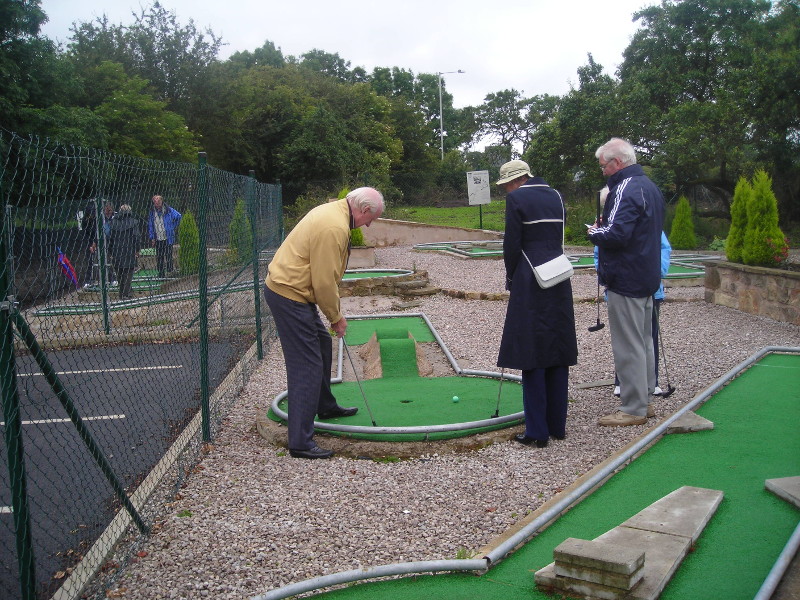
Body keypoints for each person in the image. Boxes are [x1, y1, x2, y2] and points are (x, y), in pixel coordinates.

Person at [264, 187, 385, 459]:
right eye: (371, 218)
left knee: (320, 345)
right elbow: (323, 281)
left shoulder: (336, 213)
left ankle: (325, 405)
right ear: (363, 210)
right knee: (306, 364)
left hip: (291, 289)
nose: (369, 224)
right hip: (289, 293)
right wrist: (336, 317)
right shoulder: (335, 227)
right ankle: (300, 442)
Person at [496, 160, 578, 448]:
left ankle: (537, 432)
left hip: (530, 278)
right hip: (558, 274)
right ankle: (558, 426)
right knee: (556, 347)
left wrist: (511, 276)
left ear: (516, 180)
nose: (506, 189)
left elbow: (512, 244)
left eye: (506, 184)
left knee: (532, 351)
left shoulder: (517, 198)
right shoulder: (556, 195)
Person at [587, 138, 666, 426]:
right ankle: (644, 400)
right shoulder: (650, 187)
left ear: (616, 163)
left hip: (626, 276)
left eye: (603, 166)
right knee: (643, 340)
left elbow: (616, 234)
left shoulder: (624, 187)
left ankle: (632, 408)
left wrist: (594, 233)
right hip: (647, 276)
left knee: (628, 344)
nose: (603, 172)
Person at [592, 188, 672, 400]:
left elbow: (663, 250)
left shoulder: (647, 225)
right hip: (619, 288)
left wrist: (656, 273)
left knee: (648, 338)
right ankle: (622, 381)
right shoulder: (607, 228)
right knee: (625, 340)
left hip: (650, 289)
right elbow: (599, 255)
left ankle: (650, 382)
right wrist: (606, 275)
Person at [108, 205, 142, 300]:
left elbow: (110, 238)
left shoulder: (113, 222)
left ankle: (123, 294)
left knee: (120, 273)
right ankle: (125, 295)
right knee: (128, 273)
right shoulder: (133, 222)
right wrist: (137, 249)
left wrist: (110, 251)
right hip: (129, 250)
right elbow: (137, 237)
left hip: (116, 251)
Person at [147, 195, 182, 278]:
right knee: (159, 256)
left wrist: (172, 227)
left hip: (167, 237)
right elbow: (151, 225)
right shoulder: (152, 212)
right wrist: (152, 237)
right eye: (155, 201)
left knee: (168, 254)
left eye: (158, 201)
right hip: (158, 237)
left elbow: (179, 216)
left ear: (162, 201)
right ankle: (161, 273)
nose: (157, 203)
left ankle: (170, 272)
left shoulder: (169, 210)